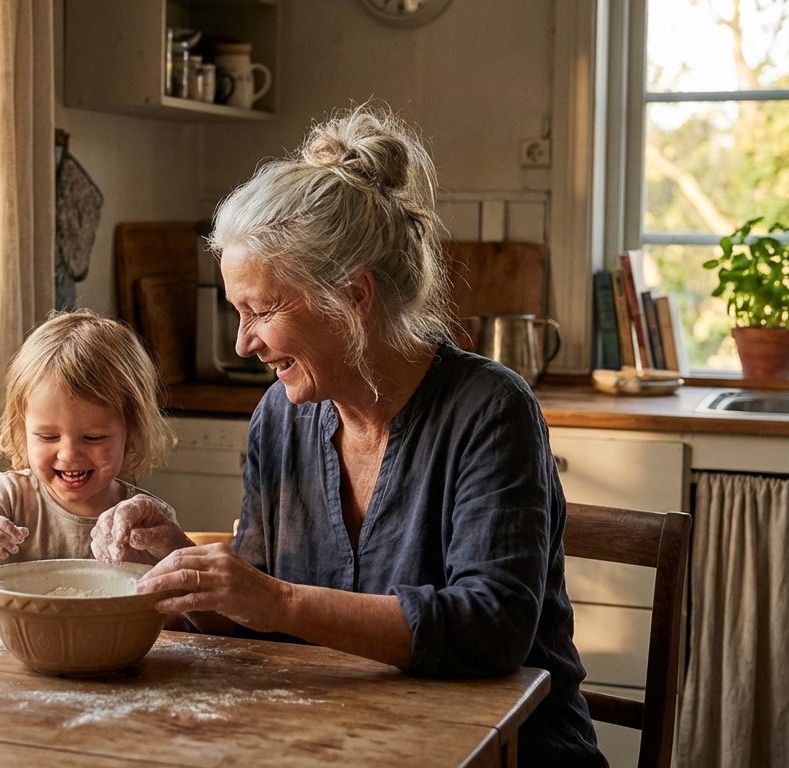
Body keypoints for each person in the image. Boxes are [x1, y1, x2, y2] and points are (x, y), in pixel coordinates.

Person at [91, 106, 606, 766]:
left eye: (261, 310)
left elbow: (491, 628)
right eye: (237, 313)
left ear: (353, 297)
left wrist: (274, 600)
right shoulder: (282, 414)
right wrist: (180, 567)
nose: (245, 342)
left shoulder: (489, 409)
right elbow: (259, 608)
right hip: (338, 742)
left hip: (504, 753)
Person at [0, 310, 179, 592]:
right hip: (17, 637)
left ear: (130, 431)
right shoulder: (9, 496)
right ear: (22, 429)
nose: (69, 454)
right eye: (48, 436)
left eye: (93, 437)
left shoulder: (144, 518)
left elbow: (172, 614)